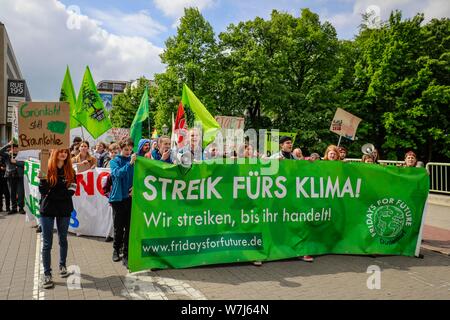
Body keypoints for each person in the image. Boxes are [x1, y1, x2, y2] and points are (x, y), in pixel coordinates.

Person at [38, 149, 77, 289]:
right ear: (55, 153)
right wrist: (43, 182)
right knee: (47, 244)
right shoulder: (46, 169)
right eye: (60, 152)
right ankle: (47, 274)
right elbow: (43, 191)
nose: (63, 154)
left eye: (65, 152)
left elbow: (71, 191)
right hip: (47, 210)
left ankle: (62, 265)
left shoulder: (71, 171)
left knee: (63, 239)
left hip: (64, 210)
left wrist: (53, 193)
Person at [109, 139, 136, 269]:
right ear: (121, 149)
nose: (128, 152)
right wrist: (129, 164)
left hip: (130, 199)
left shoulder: (134, 162)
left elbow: (139, 177)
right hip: (118, 199)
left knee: (129, 228)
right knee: (118, 228)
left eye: (130, 149)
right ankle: (116, 249)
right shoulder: (114, 161)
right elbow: (117, 174)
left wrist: (135, 187)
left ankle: (126, 254)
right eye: (126, 149)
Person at [0, 141, 25, 214]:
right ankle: (13, 208)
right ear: (12, 148)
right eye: (14, 148)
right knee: (12, 193)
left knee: (21, 193)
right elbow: (0, 151)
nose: (16, 149)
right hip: (10, 176)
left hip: (20, 176)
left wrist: (15, 162)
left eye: (17, 148)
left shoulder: (22, 156)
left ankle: (21, 208)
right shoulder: (8, 155)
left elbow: (25, 163)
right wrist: (8, 145)